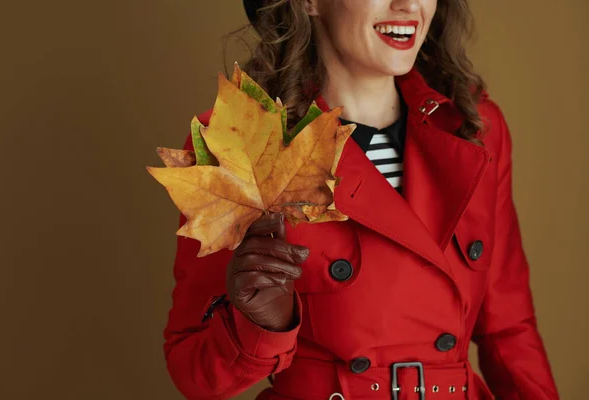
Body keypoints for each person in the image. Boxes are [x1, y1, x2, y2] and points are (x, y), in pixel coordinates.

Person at [163, 0, 559, 399]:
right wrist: (261, 325)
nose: (407, 4)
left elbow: (510, 330)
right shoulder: (244, 143)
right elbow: (193, 372)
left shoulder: (475, 129)